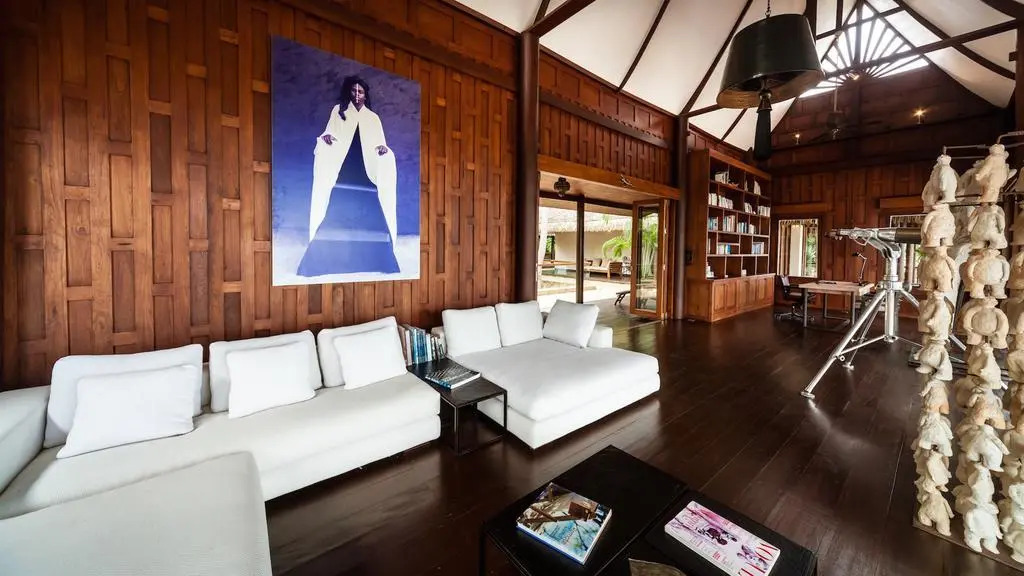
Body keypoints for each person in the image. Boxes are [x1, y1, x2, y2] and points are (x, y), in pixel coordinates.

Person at [308, 75, 397, 247]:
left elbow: (380, 143)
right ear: (349, 92)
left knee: (389, 158)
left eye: (360, 92)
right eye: (354, 91)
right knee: (324, 151)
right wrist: (327, 137)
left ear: (365, 95)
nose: (357, 94)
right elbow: (330, 132)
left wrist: (382, 148)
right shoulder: (338, 111)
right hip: (344, 163)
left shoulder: (373, 118)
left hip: (365, 166)